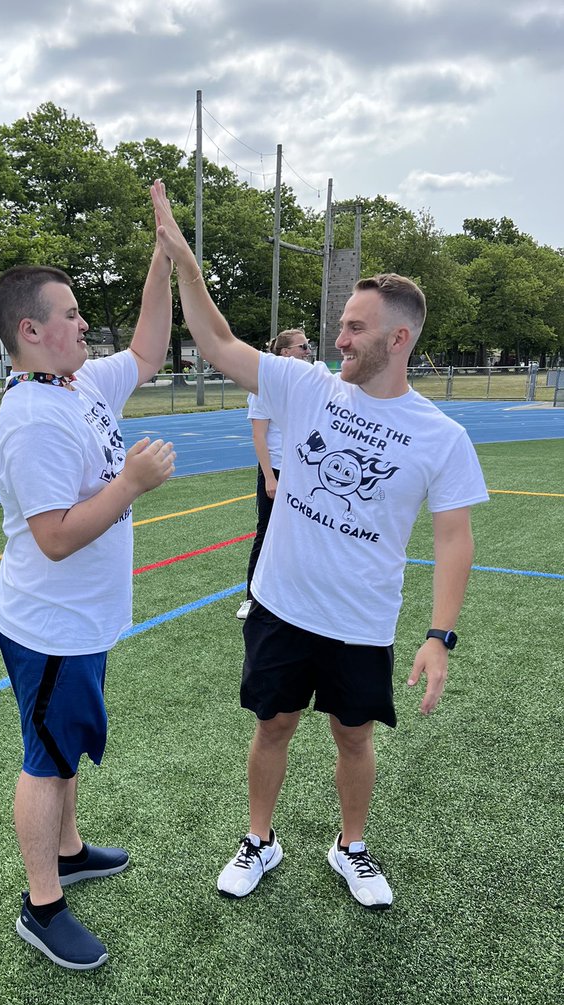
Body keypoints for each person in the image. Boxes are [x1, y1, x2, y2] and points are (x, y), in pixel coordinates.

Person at [151, 179, 488, 909]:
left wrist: (440, 636)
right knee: (272, 726)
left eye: (356, 328)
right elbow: (215, 341)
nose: (339, 338)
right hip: (281, 603)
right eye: (340, 324)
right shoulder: (307, 387)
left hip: (361, 620)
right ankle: (259, 839)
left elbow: (454, 537)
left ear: (398, 339)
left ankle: (351, 847)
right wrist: (183, 261)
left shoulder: (442, 436)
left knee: (353, 737)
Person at [0, 245, 175, 970]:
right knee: (46, 759)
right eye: (69, 314)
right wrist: (130, 484)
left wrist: (160, 262)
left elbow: (148, 350)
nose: (82, 321)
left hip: (81, 622)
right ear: (31, 332)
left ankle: (67, 852)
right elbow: (55, 537)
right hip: (49, 626)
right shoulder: (33, 419)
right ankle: (42, 906)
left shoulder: (78, 383)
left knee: (65, 747)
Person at [236, 329, 312, 620]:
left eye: (308, 345)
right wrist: (269, 477)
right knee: (266, 532)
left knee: (300, 532)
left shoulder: (305, 383)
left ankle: (291, 594)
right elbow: (259, 436)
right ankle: (251, 598)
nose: (307, 350)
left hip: (300, 469)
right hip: (276, 469)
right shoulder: (264, 387)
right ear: (284, 353)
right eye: (302, 346)